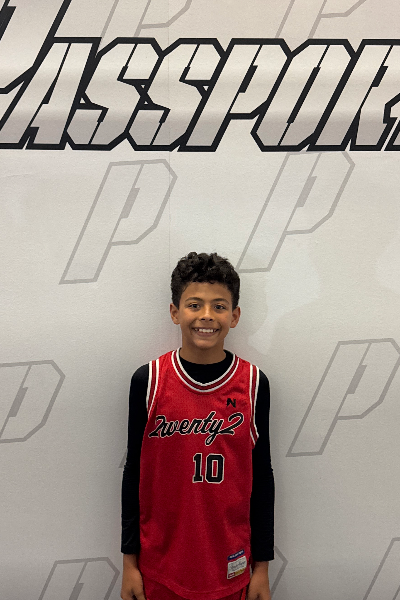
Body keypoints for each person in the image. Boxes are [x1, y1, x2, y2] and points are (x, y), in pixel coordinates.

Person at [121, 252, 275, 600]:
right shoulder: (149, 381)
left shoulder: (253, 384)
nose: (206, 315)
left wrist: (262, 567)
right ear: (175, 312)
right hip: (160, 566)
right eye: (194, 305)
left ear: (234, 316)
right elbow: (134, 474)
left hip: (231, 565)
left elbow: (262, 479)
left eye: (219, 306)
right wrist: (129, 562)